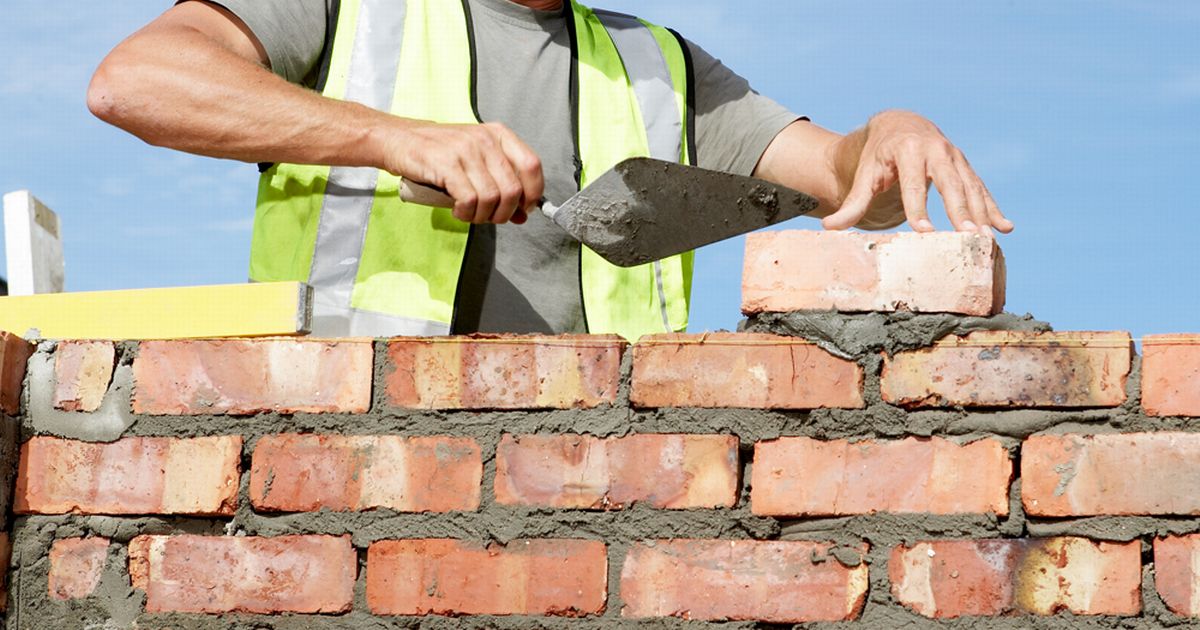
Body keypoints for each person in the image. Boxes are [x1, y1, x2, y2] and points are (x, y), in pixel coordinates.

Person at [87, 0, 1014, 340]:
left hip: (589, 483)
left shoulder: (660, 61)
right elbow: (136, 81)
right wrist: (390, 136)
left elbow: (847, 183)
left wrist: (890, 133)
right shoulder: (345, 6)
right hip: (344, 456)